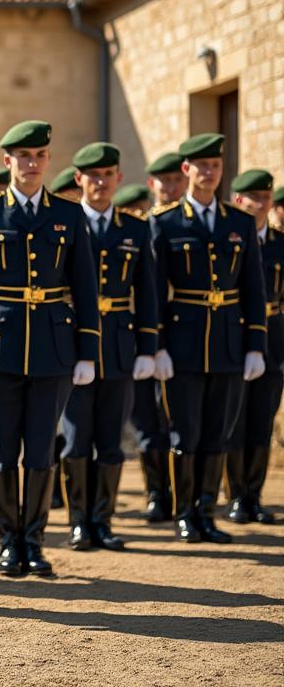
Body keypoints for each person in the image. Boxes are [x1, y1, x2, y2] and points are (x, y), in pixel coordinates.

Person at [0, 120, 99, 578]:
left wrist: (87, 350)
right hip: (1, 347)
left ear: (48, 160)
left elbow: (85, 289)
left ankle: (34, 541)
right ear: (7, 161)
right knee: (1, 448)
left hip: (53, 346)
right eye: (22, 156)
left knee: (42, 450)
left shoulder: (69, 216)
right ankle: (8, 541)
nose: (31, 164)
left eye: (39, 156)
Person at [150, 133, 266, 544]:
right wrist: (157, 344)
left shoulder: (238, 222)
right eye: (202, 167)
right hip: (182, 345)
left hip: (229, 345)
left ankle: (206, 511)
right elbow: (154, 290)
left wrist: (256, 343)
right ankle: (184, 513)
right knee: (186, 434)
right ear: (187, 171)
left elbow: (254, 287)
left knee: (218, 434)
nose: (210, 174)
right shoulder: (164, 222)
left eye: (216, 166)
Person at [58, 143, 158, 552]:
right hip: (73, 342)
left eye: (108, 175)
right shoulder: (63, 222)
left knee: (111, 441)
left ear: (118, 178)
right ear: (78, 179)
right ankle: (79, 520)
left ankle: (103, 519)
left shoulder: (134, 229)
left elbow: (147, 292)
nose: (100, 182)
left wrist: (148, 348)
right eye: (91, 175)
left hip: (118, 343)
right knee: (76, 438)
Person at [131, 151, 186, 522]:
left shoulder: (185, 223)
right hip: (139, 336)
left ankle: (181, 494)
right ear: (152, 185)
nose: (169, 187)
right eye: (162, 182)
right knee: (147, 421)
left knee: (178, 420)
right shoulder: (145, 225)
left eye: (174, 180)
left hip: (179, 336)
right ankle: (156, 493)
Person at [224, 168, 279, 525]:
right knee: (236, 421)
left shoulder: (280, 243)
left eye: (266, 197)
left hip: (273, 337)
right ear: (238, 201)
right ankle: (235, 496)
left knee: (262, 419)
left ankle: (254, 496)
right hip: (234, 333)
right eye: (253, 198)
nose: (260, 204)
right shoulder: (231, 238)